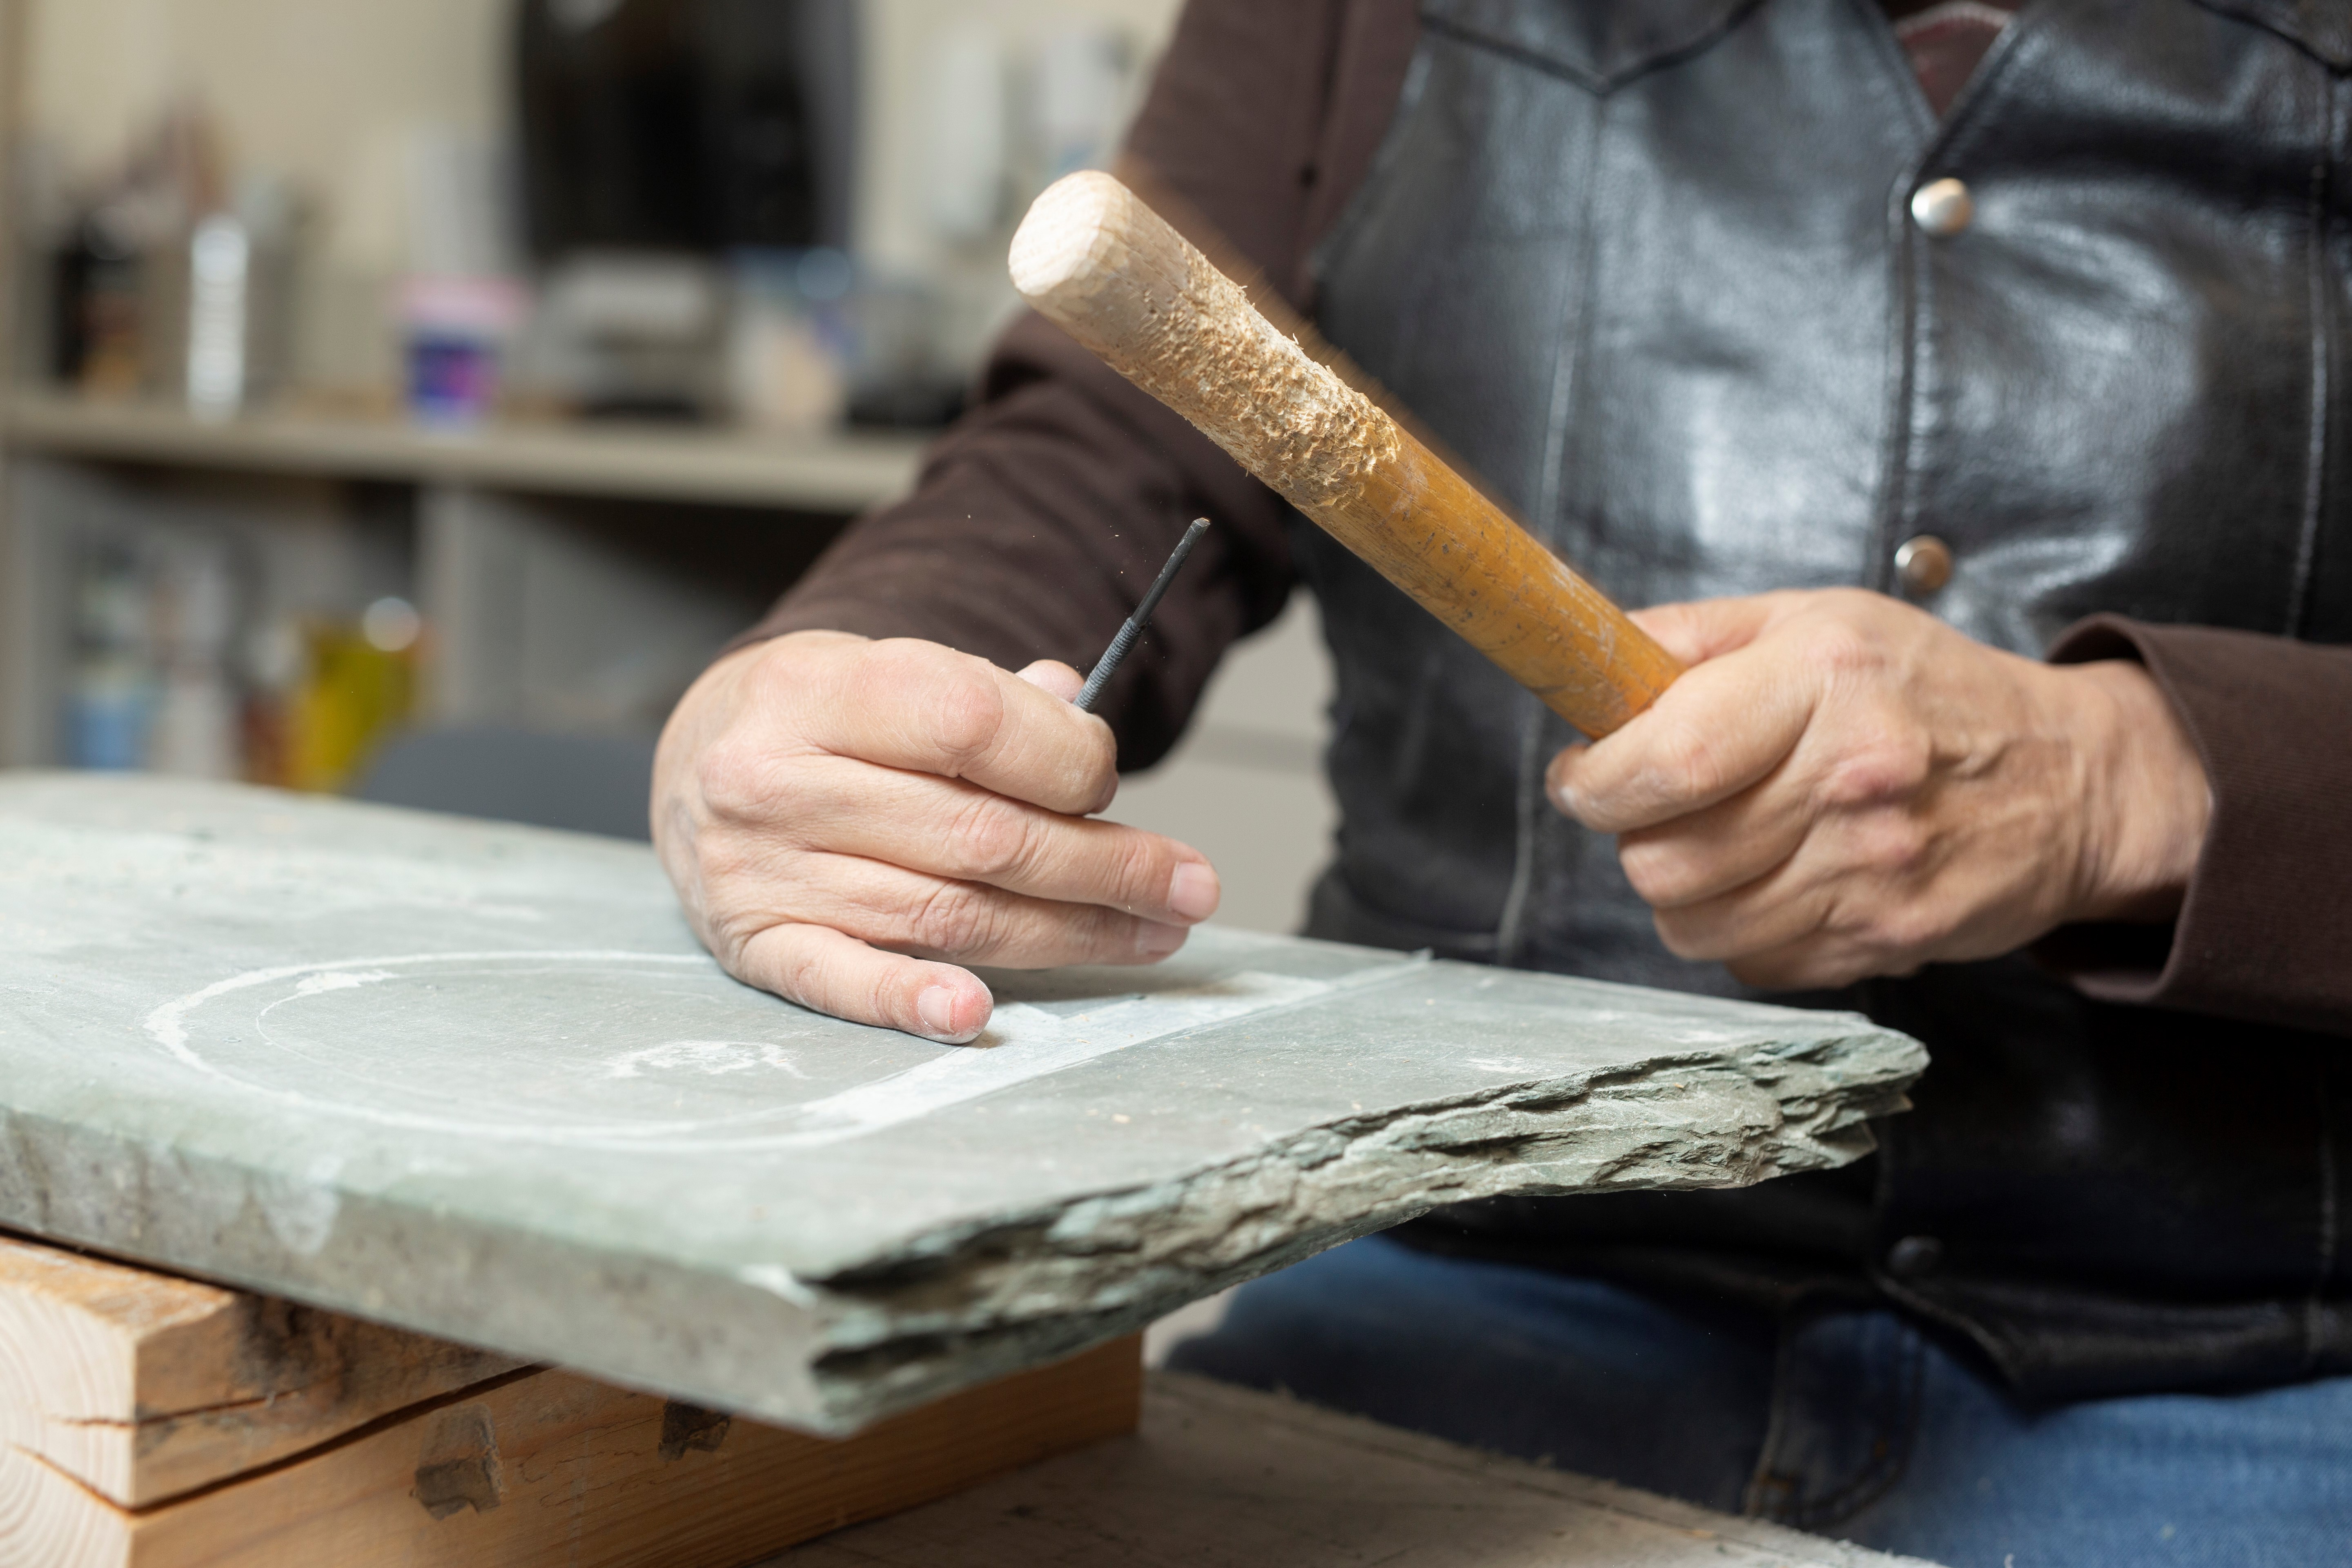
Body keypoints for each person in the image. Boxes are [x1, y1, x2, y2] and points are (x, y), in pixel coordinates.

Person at [653, 2, 2352, 1561]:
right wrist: (824, 689)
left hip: (2241, 1342)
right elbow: (1105, 444)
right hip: (1481, 1246)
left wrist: (2134, 777)